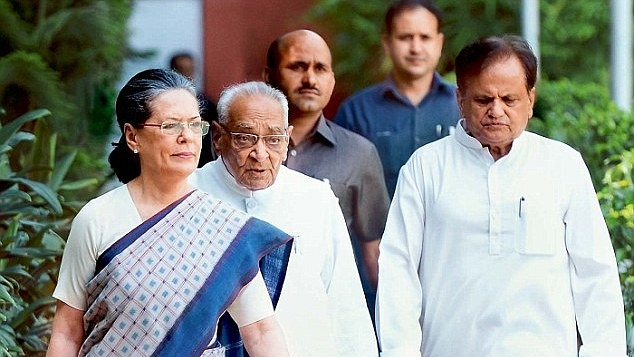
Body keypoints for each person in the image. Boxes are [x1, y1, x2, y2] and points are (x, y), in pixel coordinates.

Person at [375, 35, 627, 356]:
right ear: (460, 99)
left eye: (509, 100)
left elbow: (595, 274)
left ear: (531, 100)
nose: (496, 111)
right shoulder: (425, 168)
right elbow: (399, 271)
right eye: (483, 100)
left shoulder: (563, 166)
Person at [46, 69, 291, 357]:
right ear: (132, 137)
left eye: (194, 125)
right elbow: (67, 331)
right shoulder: (97, 219)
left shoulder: (224, 227)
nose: (187, 137)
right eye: (171, 126)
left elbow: (261, 331)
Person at [190, 81, 378, 357]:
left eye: (274, 139)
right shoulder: (190, 195)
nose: (260, 154)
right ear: (218, 137)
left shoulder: (316, 198)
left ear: (287, 139)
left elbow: (344, 299)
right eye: (245, 137)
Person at [263, 29, 390, 321]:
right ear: (268, 75)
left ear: (331, 79)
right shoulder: (236, 148)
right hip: (244, 312)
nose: (310, 79)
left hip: (324, 312)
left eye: (320, 68)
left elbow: (374, 251)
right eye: (297, 66)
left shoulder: (358, 153)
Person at [334, 0, 460, 198]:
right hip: (381, 229)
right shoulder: (355, 112)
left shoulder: (464, 106)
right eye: (405, 37)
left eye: (425, 37)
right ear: (387, 43)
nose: (416, 48)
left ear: (439, 42)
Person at [170, 51, 219, 166]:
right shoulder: (164, 104)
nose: (187, 75)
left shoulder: (207, 104)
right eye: (182, 69)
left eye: (190, 69)